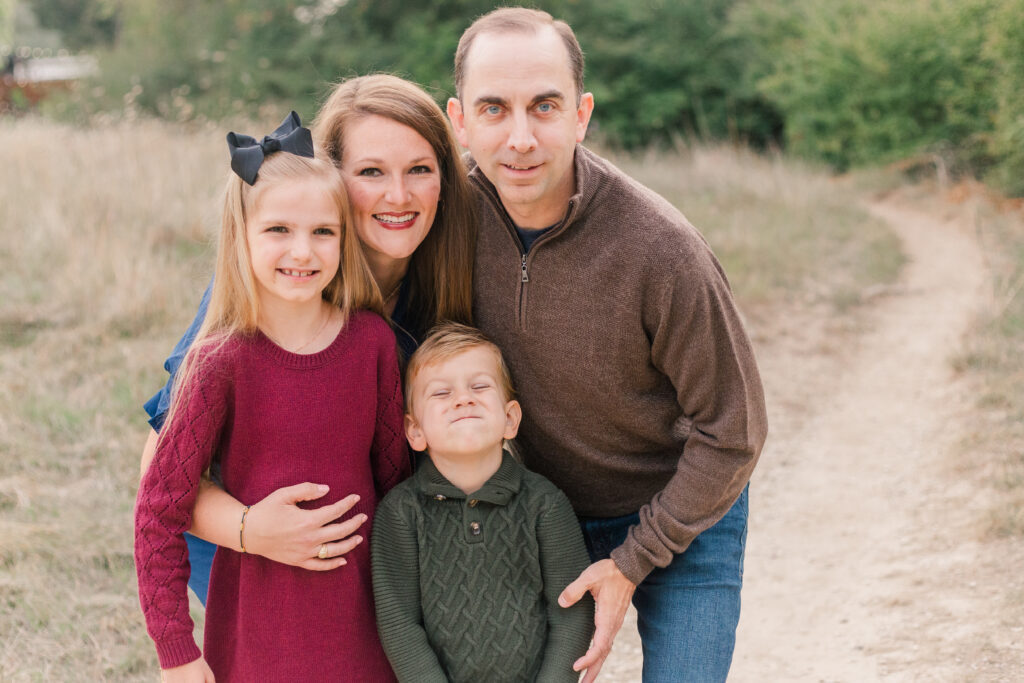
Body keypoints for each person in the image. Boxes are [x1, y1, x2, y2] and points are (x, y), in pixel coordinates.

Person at [444, 8, 769, 683]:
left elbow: (734, 430)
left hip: (683, 513)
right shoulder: (446, 226)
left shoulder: (661, 250)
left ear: (581, 115)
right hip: (543, 515)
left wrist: (633, 559)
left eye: (545, 106)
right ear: (460, 121)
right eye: (494, 109)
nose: (521, 138)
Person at [138, 74, 476, 605]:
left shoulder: (450, 279)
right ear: (329, 178)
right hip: (238, 534)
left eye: (419, 170)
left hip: (362, 543)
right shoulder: (275, 282)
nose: (398, 195)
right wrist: (251, 530)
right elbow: (158, 470)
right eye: (371, 172)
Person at [134, 113, 410, 681]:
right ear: (242, 237)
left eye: (323, 232)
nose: (302, 252)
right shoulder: (219, 361)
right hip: (258, 629)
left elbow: (398, 488)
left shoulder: (372, 344)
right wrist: (176, 651)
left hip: (365, 625)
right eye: (279, 230)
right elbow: (159, 510)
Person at [371, 322, 594, 682]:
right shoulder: (400, 513)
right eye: (441, 392)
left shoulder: (545, 504)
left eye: (479, 386)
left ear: (510, 419)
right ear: (415, 431)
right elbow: (400, 625)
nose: (463, 399)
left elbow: (572, 615)